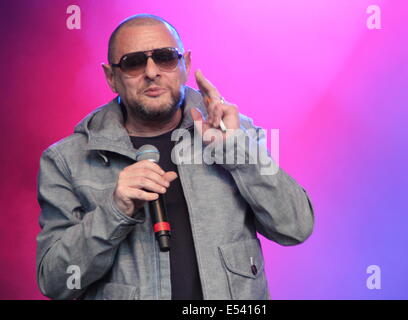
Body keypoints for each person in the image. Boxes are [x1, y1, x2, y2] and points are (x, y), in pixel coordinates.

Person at [36, 14, 314, 300]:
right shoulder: (67, 160)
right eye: (133, 62)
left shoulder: (236, 133)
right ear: (111, 77)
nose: (152, 71)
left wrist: (236, 151)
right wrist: (114, 210)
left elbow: (295, 227)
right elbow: (56, 282)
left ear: (185, 65)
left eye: (166, 57)